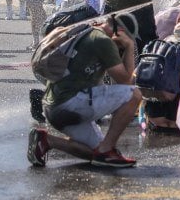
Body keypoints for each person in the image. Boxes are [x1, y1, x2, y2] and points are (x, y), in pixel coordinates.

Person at [27, 14, 142, 168]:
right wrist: (129, 47)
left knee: (95, 154)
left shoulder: (87, 31)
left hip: (54, 109)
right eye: (126, 40)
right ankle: (107, 149)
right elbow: (126, 81)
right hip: (70, 104)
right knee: (134, 94)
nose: (122, 46)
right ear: (119, 31)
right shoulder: (102, 41)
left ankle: (47, 140)